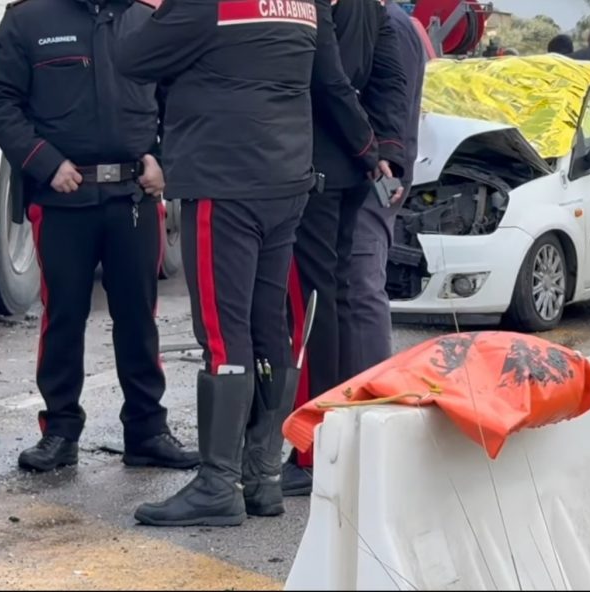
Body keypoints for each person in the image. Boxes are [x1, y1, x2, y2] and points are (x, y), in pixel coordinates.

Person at [115, 0, 377, 527]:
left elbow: (132, 55)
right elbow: (330, 80)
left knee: (221, 329)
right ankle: (261, 477)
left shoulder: (206, 5)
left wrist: (147, 6)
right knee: (266, 326)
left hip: (224, 179)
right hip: (286, 179)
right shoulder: (303, 5)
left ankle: (217, 482)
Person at [0, 0, 199, 473]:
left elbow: (181, 95)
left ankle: (147, 432)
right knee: (63, 317)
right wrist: (45, 161)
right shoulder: (30, 19)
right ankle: (60, 432)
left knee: (139, 318)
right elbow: (0, 102)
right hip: (64, 196)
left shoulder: (149, 20)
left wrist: (163, 158)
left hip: (133, 196)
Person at [283, 0, 409, 498]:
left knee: (312, 308)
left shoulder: (320, 9)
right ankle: (323, 434)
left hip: (316, 170)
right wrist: (388, 155)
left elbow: (330, 83)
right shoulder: (373, 10)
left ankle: (313, 443)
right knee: (328, 298)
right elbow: (389, 84)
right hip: (352, 173)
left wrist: (371, 151)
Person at [338, 1, 427, 414]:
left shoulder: (387, 23)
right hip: (375, 171)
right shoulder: (388, 20)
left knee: (360, 287)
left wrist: (383, 160)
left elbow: (392, 102)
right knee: (356, 286)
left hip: (374, 176)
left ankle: (375, 404)